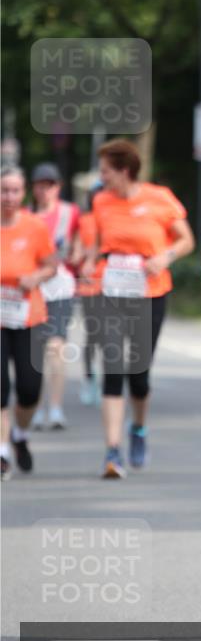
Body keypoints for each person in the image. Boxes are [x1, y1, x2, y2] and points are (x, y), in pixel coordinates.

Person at [82, 139, 194, 479]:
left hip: (150, 292)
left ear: (124, 170)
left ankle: (139, 429)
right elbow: (97, 244)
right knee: (113, 366)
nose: (101, 179)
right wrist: (88, 264)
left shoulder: (159, 198)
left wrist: (165, 256)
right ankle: (112, 452)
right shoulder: (101, 201)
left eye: (105, 172)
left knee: (139, 375)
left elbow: (186, 239)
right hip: (111, 290)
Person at [1, 166, 56, 479]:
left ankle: (20, 436)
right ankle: (2, 452)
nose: (8, 197)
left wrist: (35, 276)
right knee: (0, 389)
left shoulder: (34, 227)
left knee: (29, 389)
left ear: (23, 194)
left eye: (14, 190)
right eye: (3, 190)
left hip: (28, 317)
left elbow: (51, 265)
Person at [30, 162, 80, 429]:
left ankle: (56, 408)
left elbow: (84, 242)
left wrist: (80, 255)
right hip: (34, 287)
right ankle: (35, 407)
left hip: (60, 286)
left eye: (50, 185)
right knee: (35, 350)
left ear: (58, 187)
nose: (45, 190)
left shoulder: (70, 213)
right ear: (34, 188)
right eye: (41, 185)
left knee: (55, 347)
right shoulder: (26, 216)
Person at [72, 184, 103, 407]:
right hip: (90, 286)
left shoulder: (115, 217)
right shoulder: (84, 220)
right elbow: (76, 251)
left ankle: (111, 379)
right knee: (94, 335)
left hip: (114, 286)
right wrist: (79, 257)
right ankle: (90, 379)